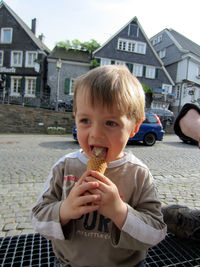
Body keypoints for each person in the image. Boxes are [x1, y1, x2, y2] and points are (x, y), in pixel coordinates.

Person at [31, 65, 166, 267]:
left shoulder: (138, 175)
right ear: (75, 118)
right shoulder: (64, 167)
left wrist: (120, 212)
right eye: (85, 120)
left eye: (110, 123)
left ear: (134, 128)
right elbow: (38, 218)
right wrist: (64, 210)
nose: (95, 134)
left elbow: (156, 232)